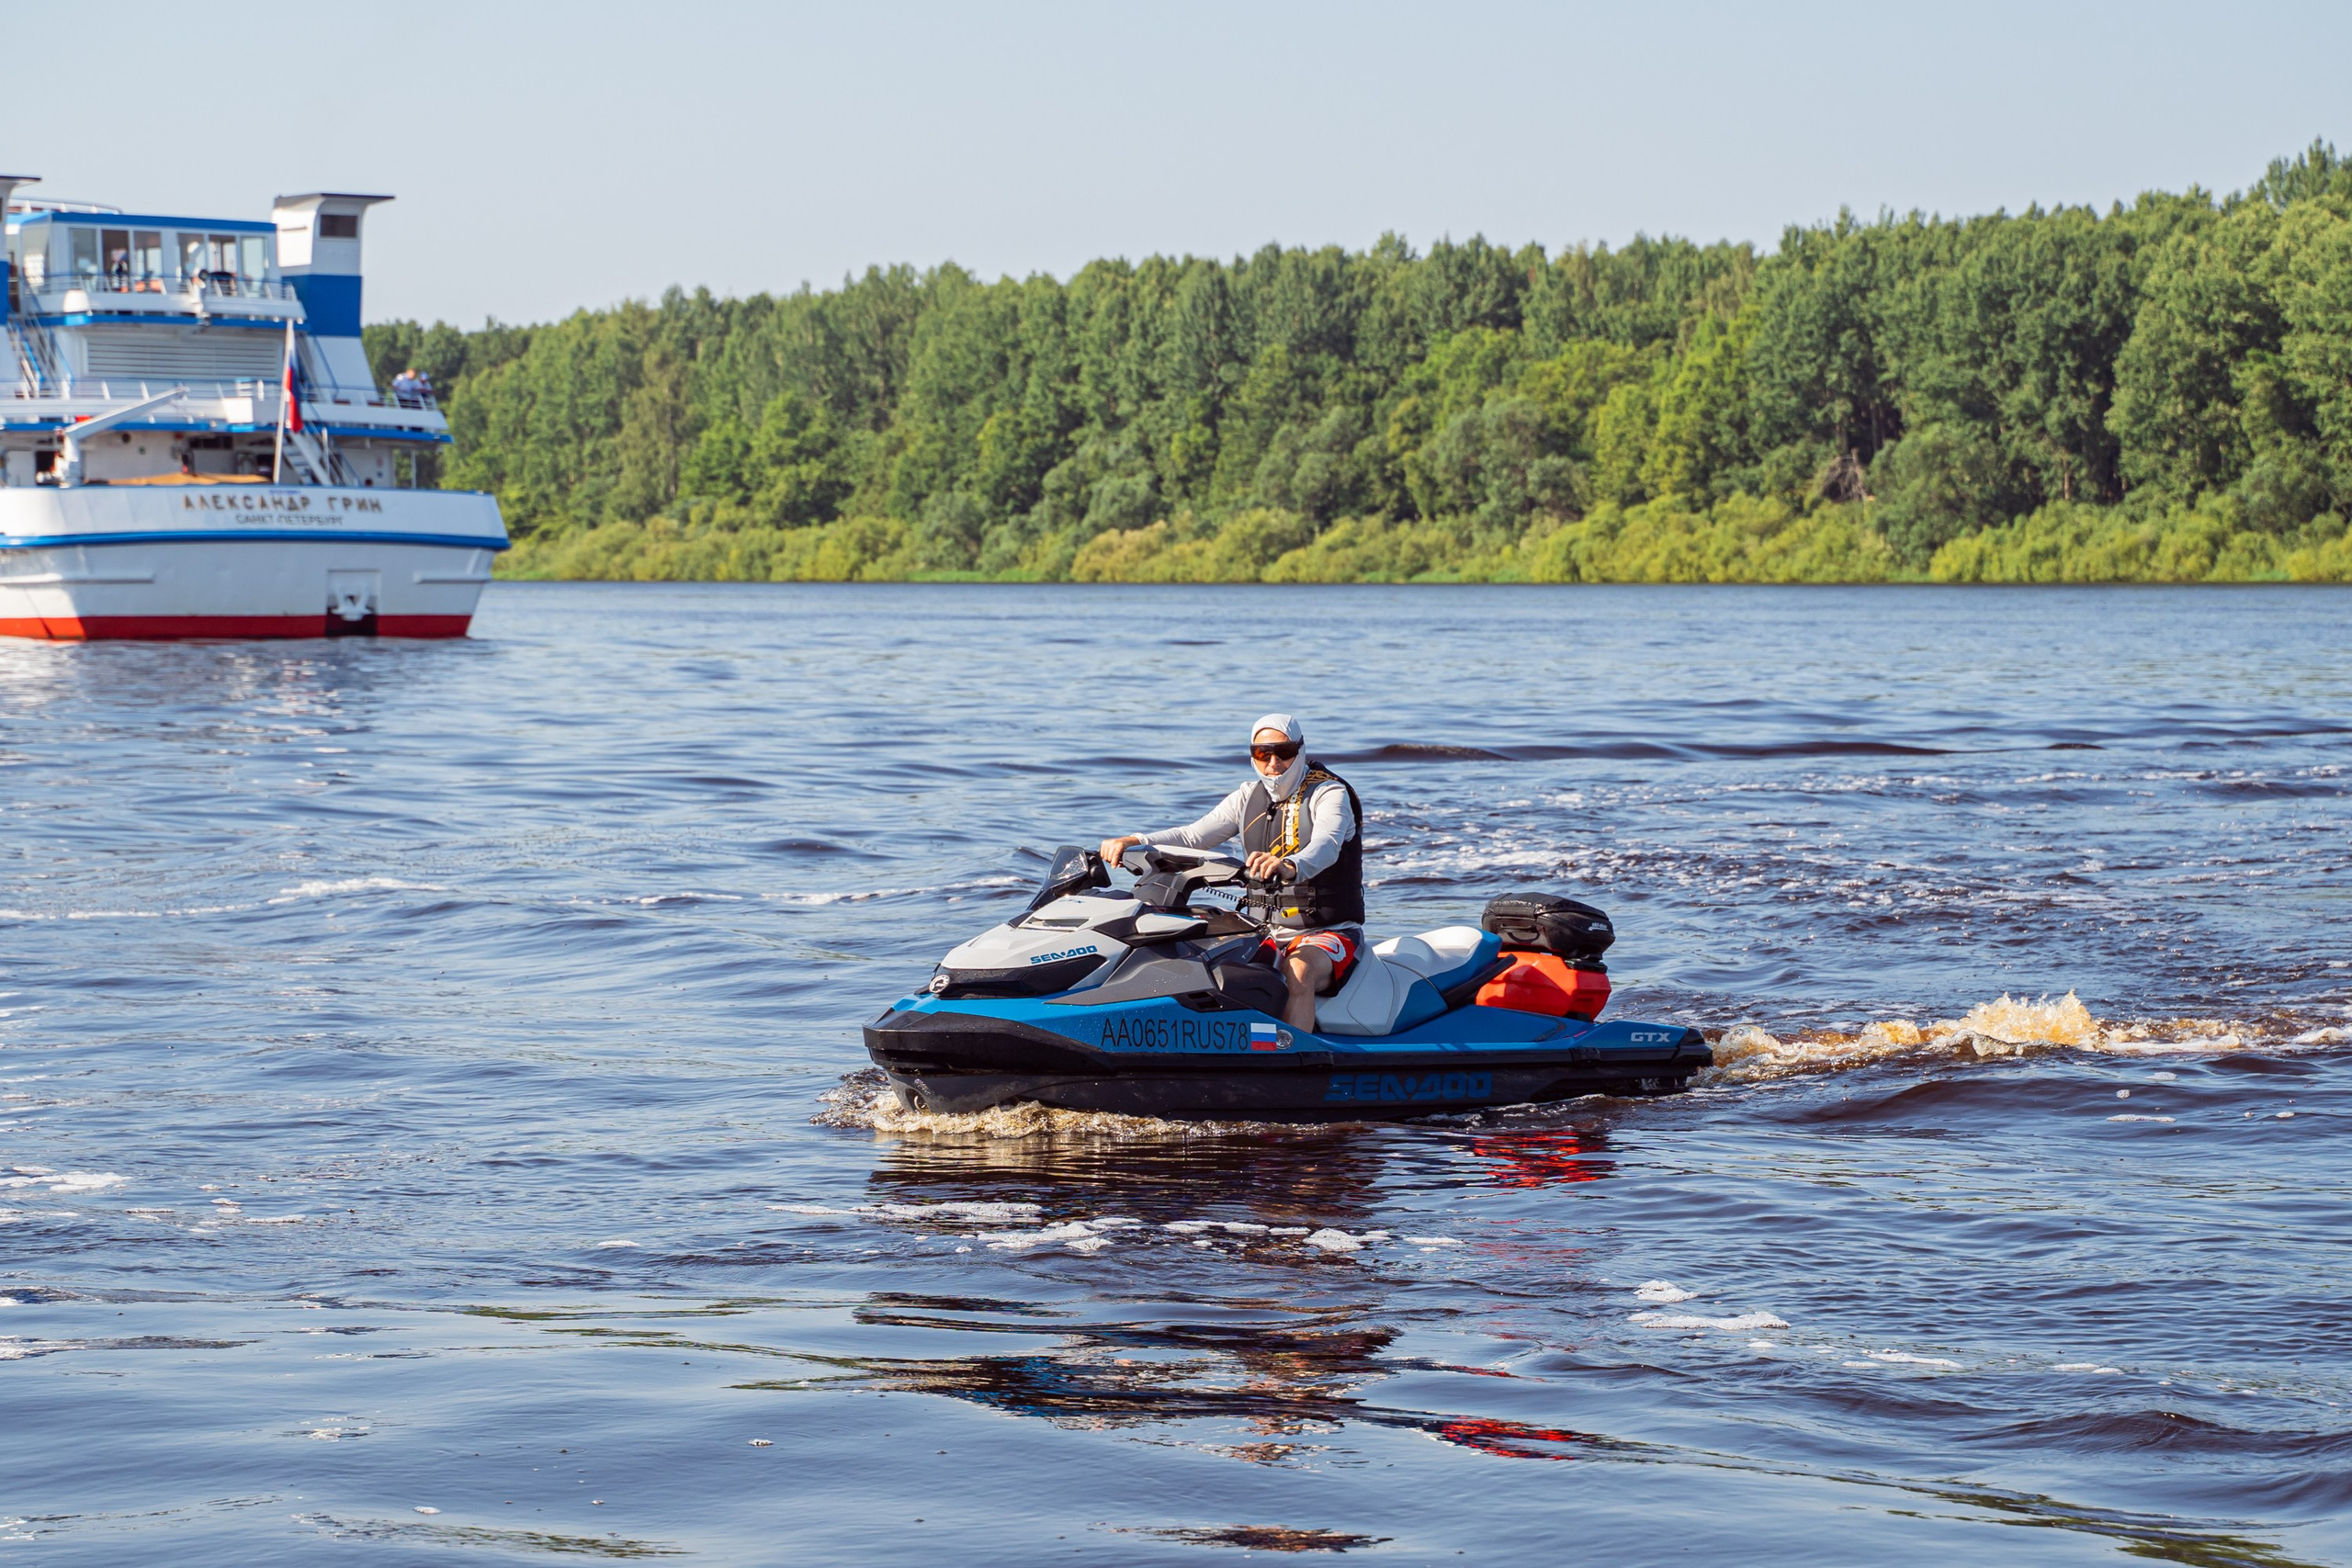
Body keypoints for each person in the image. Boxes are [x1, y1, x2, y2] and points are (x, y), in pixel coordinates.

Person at [1100, 714, 1364, 1033]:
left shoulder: (1329, 793)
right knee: (1192, 953)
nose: (1273, 763)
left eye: (1284, 752)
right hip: (1264, 927)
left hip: (1329, 930)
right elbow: (1193, 837)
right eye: (1262, 754)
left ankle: (1291, 1061)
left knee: (1299, 971)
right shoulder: (1246, 797)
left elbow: (1327, 843)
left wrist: (1291, 864)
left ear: (1301, 751)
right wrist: (1136, 840)